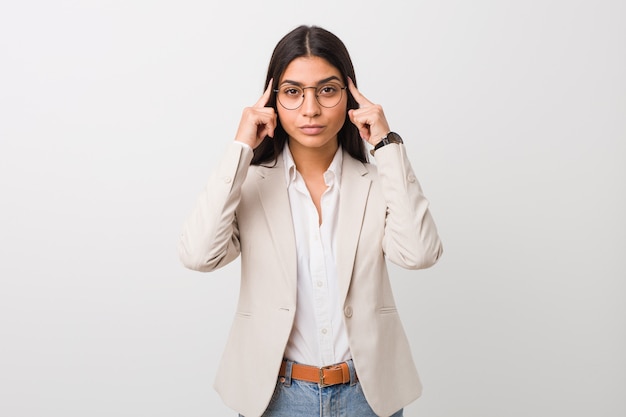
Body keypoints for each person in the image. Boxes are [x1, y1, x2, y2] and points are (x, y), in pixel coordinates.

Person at [178, 25, 443, 417]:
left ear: (350, 97)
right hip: (276, 397)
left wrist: (387, 145)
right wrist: (240, 149)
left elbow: (420, 254)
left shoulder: (377, 181)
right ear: (272, 100)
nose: (310, 109)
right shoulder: (248, 184)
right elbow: (199, 255)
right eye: (293, 92)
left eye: (327, 90)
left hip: (367, 397)